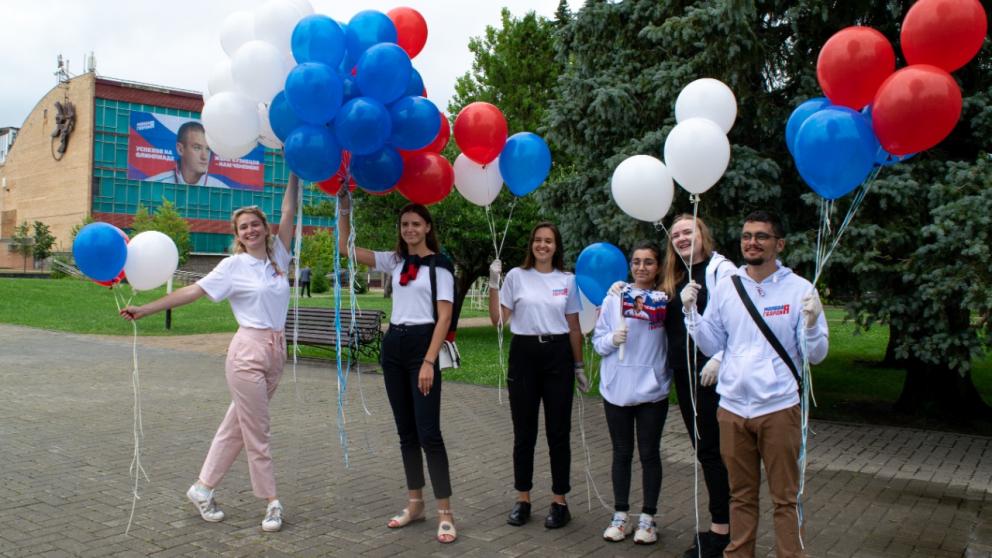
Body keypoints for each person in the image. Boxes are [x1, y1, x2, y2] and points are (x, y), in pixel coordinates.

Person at [120, 175, 301, 532]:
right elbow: (192, 293)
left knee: (237, 427)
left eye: (254, 225)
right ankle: (271, 502)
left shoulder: (279, 254)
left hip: (276, 352)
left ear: (266, 228)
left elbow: (289, 209)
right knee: (258, 431)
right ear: (237, 234)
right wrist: (146, 309)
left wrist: (294, 170)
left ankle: (202, 489)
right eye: (242, 228)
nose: (249, 231)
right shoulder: (232, 267)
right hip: (247, 353)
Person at [682, 210, 828, 558]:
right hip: (732, 407)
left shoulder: (799, 289)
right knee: (740, 495)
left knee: (785, 497)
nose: (752, 242)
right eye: (747, 236)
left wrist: (811, 322)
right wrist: (690, 313)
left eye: (761, 236)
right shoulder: (729, 287)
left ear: (779, 244)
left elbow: (817, 354)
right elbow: (713, 344)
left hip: (778, 407)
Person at [337, 192, 457, 544]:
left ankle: (446, 512)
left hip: (423, 346)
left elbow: (445, 315)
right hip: (394, 346)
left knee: (428, 432)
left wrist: (429, 362)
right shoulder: (394, 261)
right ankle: (415, 503)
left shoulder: (441, 265)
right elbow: (347, 248)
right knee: (406, 432)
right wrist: (345, 208)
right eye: (404, 224)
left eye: (415, 224)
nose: (409, 229)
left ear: (427, 227)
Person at [488, 222, 586, 530]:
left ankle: (560, 502)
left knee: (558, 433)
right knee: (524, 433)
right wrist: (494, 283)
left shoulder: (567, 280)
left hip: (557, 355)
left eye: (549, 241)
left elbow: (573, 327)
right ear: (532, 244)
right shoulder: (517, 277)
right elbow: (498, 321)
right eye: (538, 240)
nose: (543, 245)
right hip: (524, 355)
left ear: (556, 247)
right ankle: (523, 499)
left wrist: (579, 366)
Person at [661, 214, 737, 558]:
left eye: (687, 231)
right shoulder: (676, 277)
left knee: (716, 452)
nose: (681, 238)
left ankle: (721, 530)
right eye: (676, 234)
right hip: (685, 374)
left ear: (703, 233)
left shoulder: (723, 271)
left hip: (714, 376)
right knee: (705, 451)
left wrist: (721, 356)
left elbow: (740, 321)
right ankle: (723, 524)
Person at [592, 241, 670, 545]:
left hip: (652, 390)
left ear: (658, 266)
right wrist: (613, 338)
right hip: (617, 389)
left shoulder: (664, 300)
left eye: (648, 262)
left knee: (649, 454)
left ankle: (648, 519)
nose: (641, 267)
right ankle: (620, 515)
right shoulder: (615, 299)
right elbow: (599, 344)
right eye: (636, 262)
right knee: (621, 453)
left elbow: (673, 342)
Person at [147, 121, 227, 187]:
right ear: (180, 149)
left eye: (208, 149)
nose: (204, 156)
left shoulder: (221, 188)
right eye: (197, 148)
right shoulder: (152, 185)